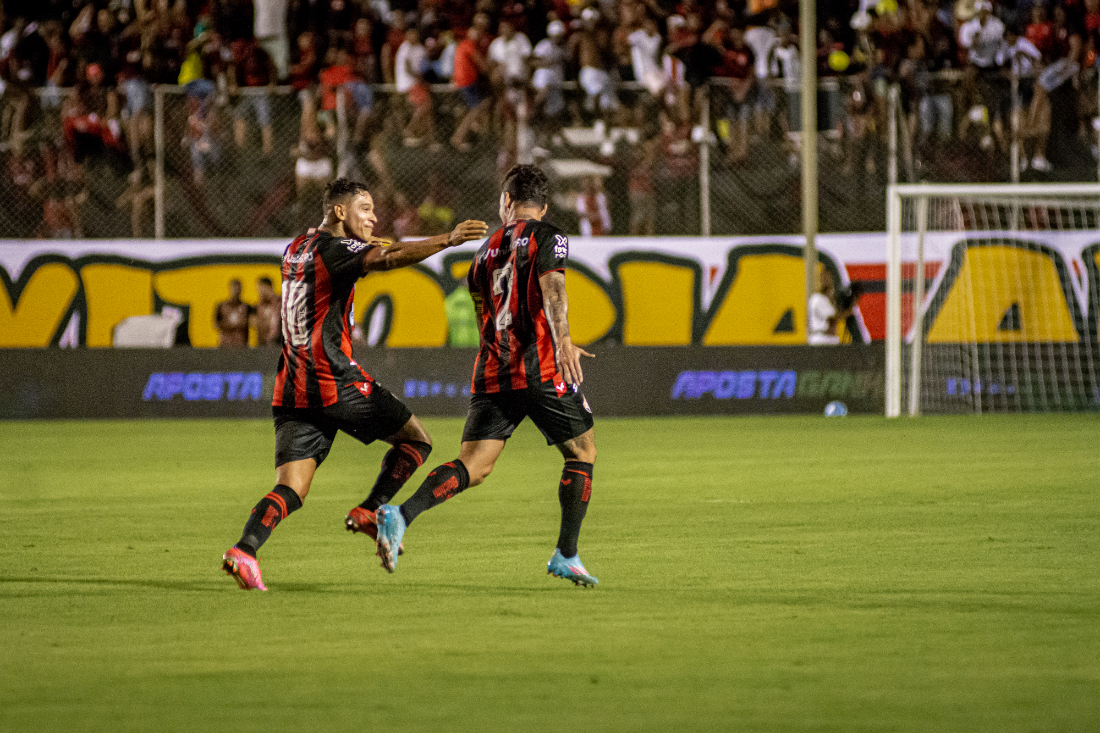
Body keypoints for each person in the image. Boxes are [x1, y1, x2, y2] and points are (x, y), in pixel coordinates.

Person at [221, 178, 488, 590]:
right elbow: (388, 256)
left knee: (291, 488)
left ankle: (245, 550)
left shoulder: (297, 246)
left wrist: (367, 237)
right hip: (332, 380)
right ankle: (371, 510)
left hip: (291, 386)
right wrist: (448, 239)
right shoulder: (336, 251)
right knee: (416, 441)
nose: (374, 215)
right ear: (340, 212)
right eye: (365, 208)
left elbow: (359, 250)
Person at [372, 164, 600, 587]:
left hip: (494, 370)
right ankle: (566, 554)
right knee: (583, 451)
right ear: (543, 206)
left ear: (507, 202)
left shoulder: (483, 252)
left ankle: (401, 515)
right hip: (540, 368)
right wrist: (564, 339)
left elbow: (486, 315)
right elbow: (554, 289)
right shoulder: (550, 237)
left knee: (474, 465)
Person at [807, 269, 855, 345]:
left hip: (829, 339)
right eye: (824, 279)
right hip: (821, 339)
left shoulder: (828, 300)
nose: (827, 281)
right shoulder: (818, 298)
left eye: (829, 278)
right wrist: (848, 312)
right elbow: (832, 319)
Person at [215, 279, 253, 347]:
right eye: (234, 288)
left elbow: (252, 323)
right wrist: (232, 324)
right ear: (230, 289)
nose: (236, 291)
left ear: (241, 290)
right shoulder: (221, 306)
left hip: (241, 345)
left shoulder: (247, 307)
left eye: (238, 288)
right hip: (225, 345)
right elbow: (216, 324)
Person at [253, 275, 281, 346]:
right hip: (263, 343)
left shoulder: (280, 302)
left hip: (277, 343)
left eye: (260, 288)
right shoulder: (259, 305)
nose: (258, 292)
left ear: (267, 287)